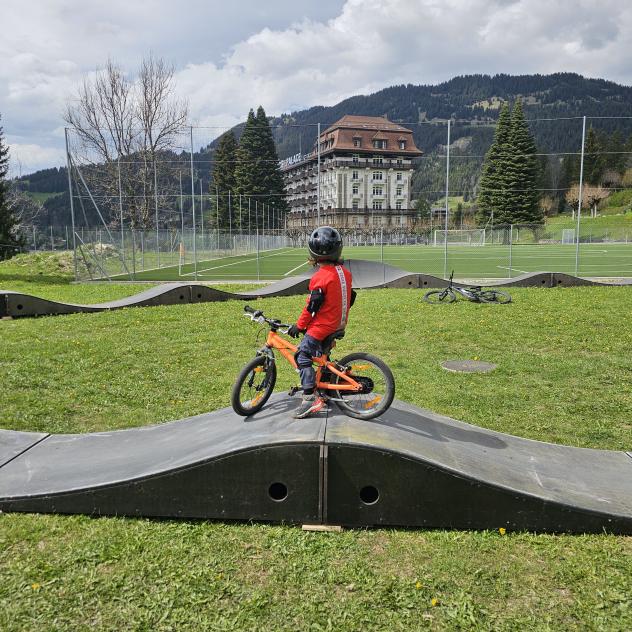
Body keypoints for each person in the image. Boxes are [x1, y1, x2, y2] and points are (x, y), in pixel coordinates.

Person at [288, 226, 354, 419]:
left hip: (324, 325)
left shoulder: (320, 277)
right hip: (339, 322)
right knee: (321, 356)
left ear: (313, 252)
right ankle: (325, 383)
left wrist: (299, 326)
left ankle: (309, 399)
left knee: (302, 356)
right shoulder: (345, 273)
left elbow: (311, 307)